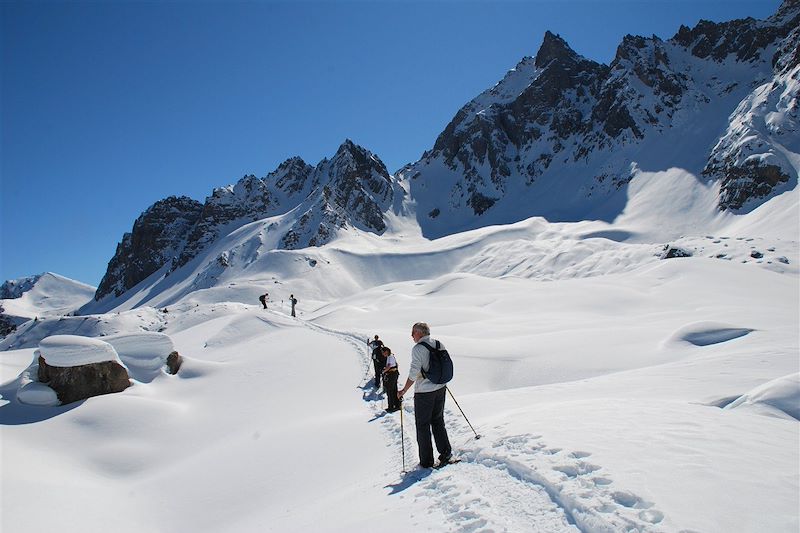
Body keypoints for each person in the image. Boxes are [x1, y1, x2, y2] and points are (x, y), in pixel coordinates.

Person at [398, 322, 452, 468]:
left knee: (422, 425)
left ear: (419, 333)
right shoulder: (439, 344)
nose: (411, 336)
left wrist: (404, 390)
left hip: (424, 392)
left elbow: (414, 372)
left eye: (413, 333)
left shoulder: (418, 349)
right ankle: (446, 452)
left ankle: (427, 461)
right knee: (438, 421)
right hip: (440, 388)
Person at [381, 346, 402, 412]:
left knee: (390, 390)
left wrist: (384, 371)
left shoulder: (390, 357)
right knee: (394, 389)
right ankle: (396, 405)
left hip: (392, 374)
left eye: (383, 353)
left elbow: (389, 366)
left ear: (386, 351)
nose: (383, 354)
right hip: (393, 374)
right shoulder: (390, 356)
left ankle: (391, 406)